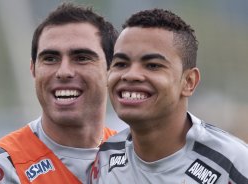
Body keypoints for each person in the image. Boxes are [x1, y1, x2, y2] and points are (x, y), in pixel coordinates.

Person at [90, 8, 248, 184]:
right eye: (121, 63)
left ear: (189, 82)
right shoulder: (105, 159)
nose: (130, 75)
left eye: (152, 65)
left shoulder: (234, 165)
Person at [0, 3, 118, 184]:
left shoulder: (135, 157)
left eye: (82, 58)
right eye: (50, 59)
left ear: (113, 69)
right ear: (33, 70)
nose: (64, 71)